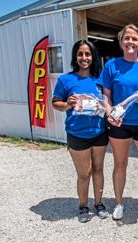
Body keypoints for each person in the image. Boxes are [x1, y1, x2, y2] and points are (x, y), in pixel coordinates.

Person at [100, 24, 138, 220]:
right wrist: (109, 113)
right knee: (120, 164)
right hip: (120, 124)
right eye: (127, 38)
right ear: (121, 42)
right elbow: (106, 95)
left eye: (134, 39)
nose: (130, 42)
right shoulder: (111, 66)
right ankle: (118, 203)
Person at [52, 40, 109, 223]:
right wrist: (68, 104)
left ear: (93, 57)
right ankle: (83, 205)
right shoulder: (66, 80)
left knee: (99, 170)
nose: (84, 58)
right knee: (84, 173)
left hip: (99, 132)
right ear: (75, 57)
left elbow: (108, 102)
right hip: (77, 133)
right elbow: (55, 103)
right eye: (80, 54)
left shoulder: (100, 80)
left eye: (88, 54)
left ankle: (99, 203)